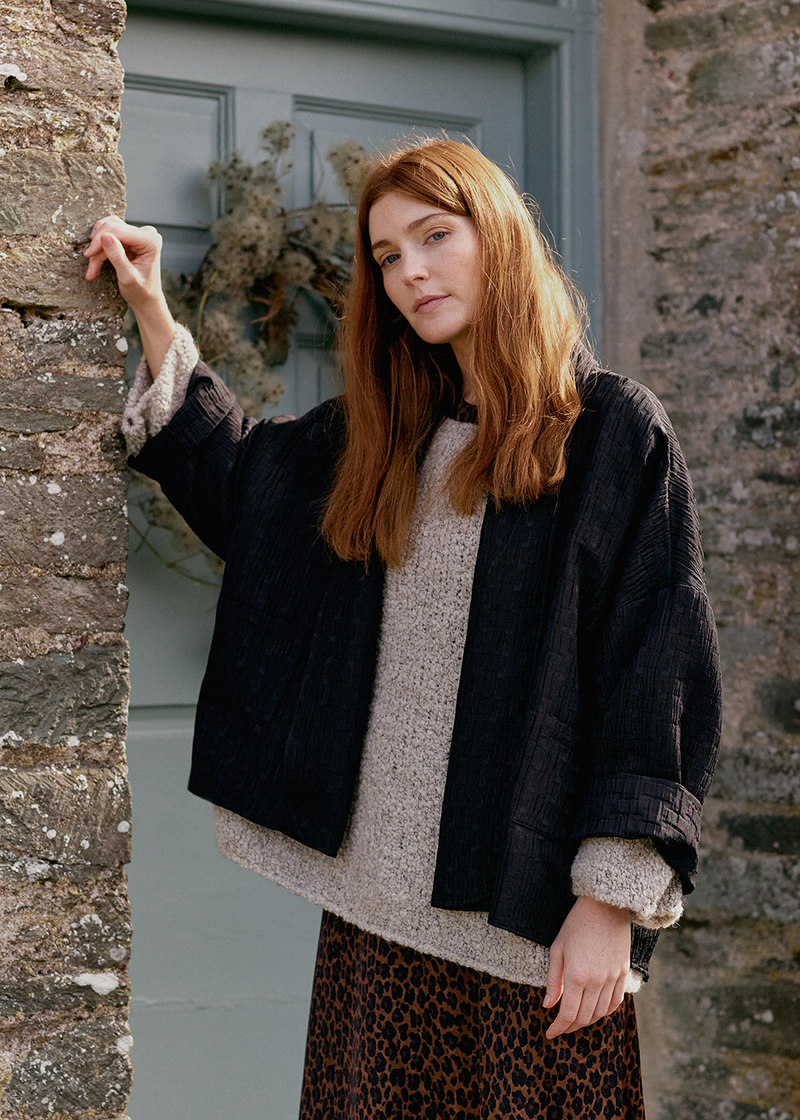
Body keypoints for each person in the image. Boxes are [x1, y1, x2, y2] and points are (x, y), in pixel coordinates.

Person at [85, 139, 721, 1119]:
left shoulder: (607, 434)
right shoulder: (378, 435)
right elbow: (240, 485)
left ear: (496, 237)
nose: (409, 271)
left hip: (528, 930)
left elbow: (656, 671)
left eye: (433, 235)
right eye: (385, 255)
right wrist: (151, 310)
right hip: (375, 919)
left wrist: (608, 902)